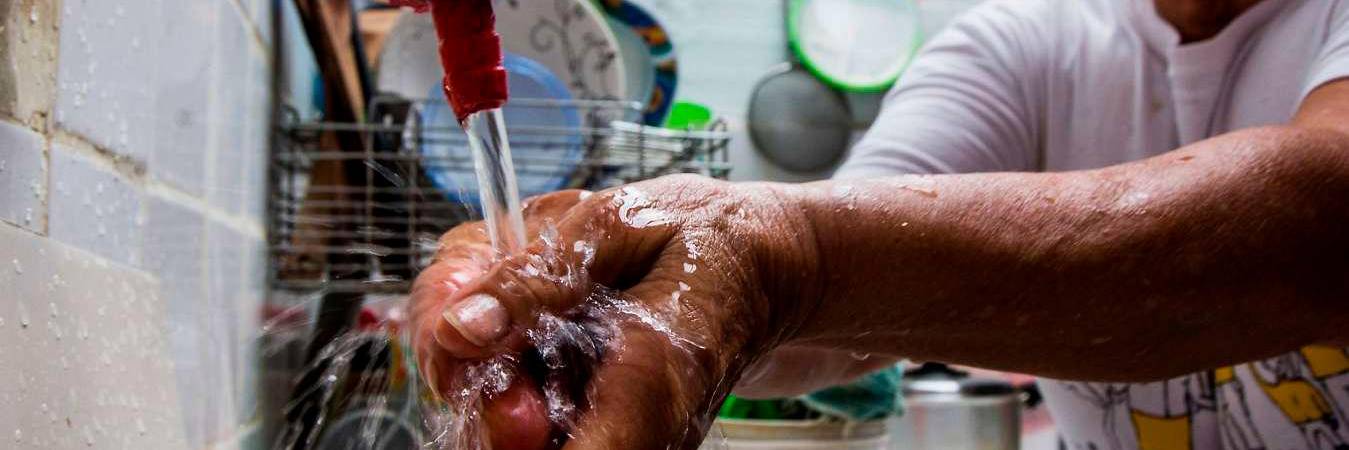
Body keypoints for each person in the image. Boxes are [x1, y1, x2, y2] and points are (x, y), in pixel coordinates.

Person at [410, 0, 1349, 448]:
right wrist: (616, 310)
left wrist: (778, 262)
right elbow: (833, 310)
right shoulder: (1021, 44)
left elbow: (1318, 226)